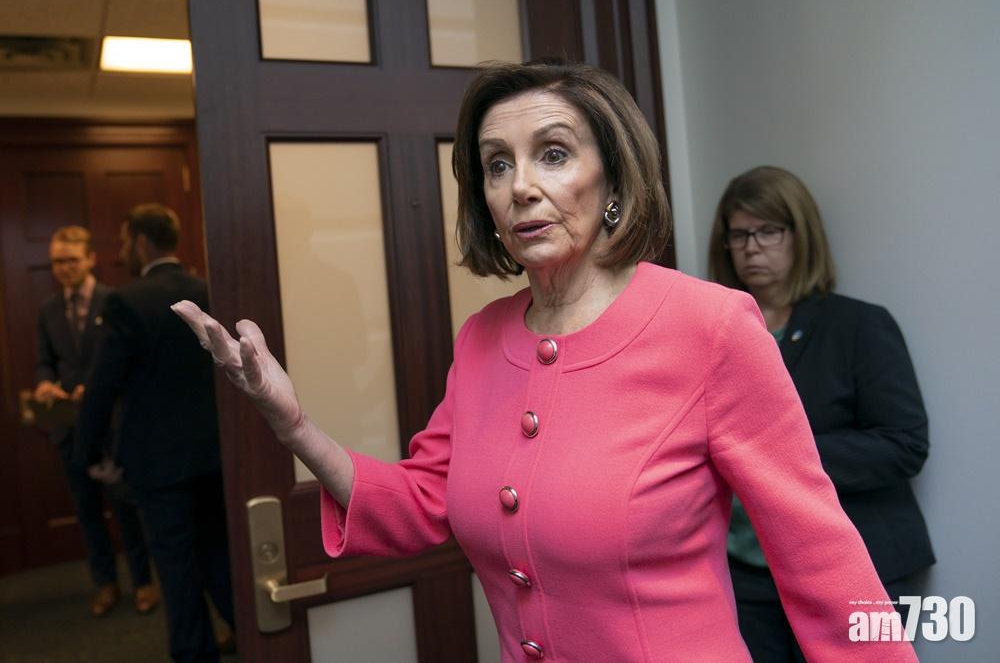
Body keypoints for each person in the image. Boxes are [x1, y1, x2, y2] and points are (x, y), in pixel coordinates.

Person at [174, 62, 917, 661]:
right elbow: (426, 500)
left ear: (614, 180)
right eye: (497, 165)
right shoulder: (482, 337)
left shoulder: (710, 326)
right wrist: (294, 424)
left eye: (553, 154)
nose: (520, 186)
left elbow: (822, 559)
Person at [708, 165, 935, 661]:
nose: (751, 248)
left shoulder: (858, 325)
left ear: (801, 234)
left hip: (855, 563)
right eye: (739, 235)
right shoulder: (713, 332)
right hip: (745, 573)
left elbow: (905, 444)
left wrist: (783, 455)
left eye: (768, 231)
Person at [76, 205, 235, 663]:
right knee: (218, 554)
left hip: (158, 464)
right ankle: (254, 638)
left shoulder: (126, 302)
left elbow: (102, 386)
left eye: (126, 240)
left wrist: (89, 454)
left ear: (142, 242)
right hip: (215, 454)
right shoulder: (210, 289)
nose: (122, 250)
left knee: (176, 568)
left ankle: (193, 654)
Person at [34, 225, 158, 617]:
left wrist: (95, 388)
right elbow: (45, 361)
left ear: (90, 259)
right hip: (68, 429)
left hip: (112, 427)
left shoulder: (115, 301)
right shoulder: (48, 309)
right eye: (57, 261)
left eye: (71, 259)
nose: (64, 267)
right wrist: (44, 384)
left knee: (126, 511)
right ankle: (105, 583)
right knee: (87, 511)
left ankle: (143, 581)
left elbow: (130, 363)